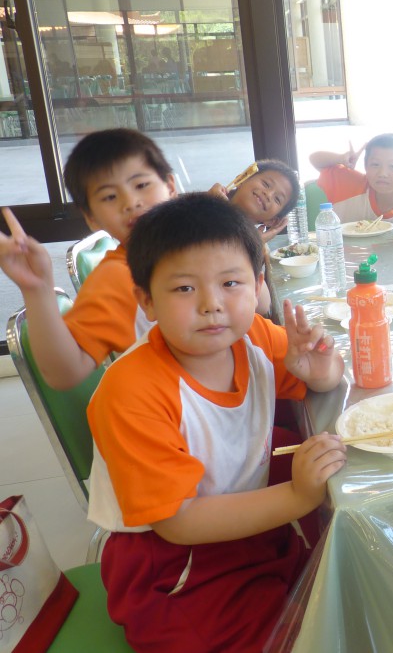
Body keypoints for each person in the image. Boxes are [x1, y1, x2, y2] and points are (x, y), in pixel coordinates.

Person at [86, 193, 347, 651]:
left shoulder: (254, 337)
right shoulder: (131, 391)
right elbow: (178, 521)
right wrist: (297, 496)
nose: (212, 304)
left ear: (258, 285)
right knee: (292, 638)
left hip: (245, 519)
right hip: (174, 564)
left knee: (340, 595)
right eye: (184, 289)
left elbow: (323, 378)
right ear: (146, 301)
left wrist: (318, 369)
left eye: (230, 282)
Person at [0, 128, 177, 390]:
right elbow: (64, 374)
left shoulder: (213, 245)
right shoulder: (116, 278)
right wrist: (36, 289)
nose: (130, 202)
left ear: (171, 187)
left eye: (141, 185)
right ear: (92, 219)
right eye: (109, 197)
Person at [309, 133, 393, 223]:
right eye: (375, 164)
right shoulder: (351, 183)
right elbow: (314, 159)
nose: (383, 173)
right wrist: (340, 158)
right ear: (366, 166)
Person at [209, 159, 299, 245]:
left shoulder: (256, 244)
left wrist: (255, 244)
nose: (268, 194)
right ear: (241, 179)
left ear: (272, 221)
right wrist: (209, 204)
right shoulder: (209, 209)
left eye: (277, 199)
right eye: (266, 184)